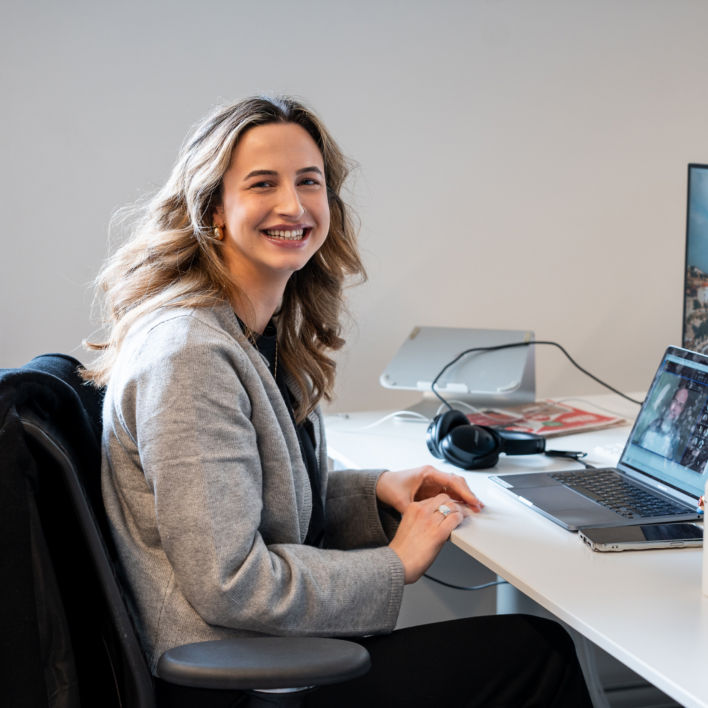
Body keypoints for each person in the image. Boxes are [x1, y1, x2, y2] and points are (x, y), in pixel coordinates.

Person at [83, 96, 592, 707]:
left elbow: (252, 502)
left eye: (309, 182)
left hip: (260, 654)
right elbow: (231, 583)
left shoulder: (246, 333)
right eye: (262, 184)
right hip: (237, 680)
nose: (293, 206)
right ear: (214, 209)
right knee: (535, 657)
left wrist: (377, 493)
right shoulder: (190, 355)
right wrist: (395, 562)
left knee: (529, 648)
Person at [640, 386, 689, 459]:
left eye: (680, 405)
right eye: (675, 401)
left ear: (682, 410)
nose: (674, 408)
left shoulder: (676, 437)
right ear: (670, 401)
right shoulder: (653, 424)